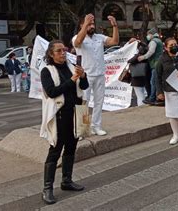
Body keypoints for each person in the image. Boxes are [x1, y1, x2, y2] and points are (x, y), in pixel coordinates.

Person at [40, 40, 89, 204]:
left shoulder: (71, 67)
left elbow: (84, 86)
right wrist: (73, 79)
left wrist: (82, 76)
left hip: (75, 114)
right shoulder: (47, 71)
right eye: (59, 51)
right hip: (59, 116)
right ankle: (47, 188)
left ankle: (66, 181)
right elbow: (52, 92)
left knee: (71, 148)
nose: (63, 53)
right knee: (55, 151)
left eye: (64, 50)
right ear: (51, 54)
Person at [72, 13, 119, 136]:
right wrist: (86, 23)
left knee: (99, 101)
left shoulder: (99, 37)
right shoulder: (77, 37)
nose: (92, 26)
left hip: (100, 74)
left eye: (93, 24)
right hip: (85, 75)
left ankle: (96, 126)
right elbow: (77, 43)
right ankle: (82, 129)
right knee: (84, 102)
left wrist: (114, 26)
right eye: (89, 24)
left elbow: (114, 41)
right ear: (82, 25)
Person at [139, 28, 164, 105]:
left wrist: (143, 57)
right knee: (156, 81)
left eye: (148, 34)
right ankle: (156, 97)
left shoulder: (153, 41)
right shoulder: (159, 41)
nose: (147, 36)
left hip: (155, 64)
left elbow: (151, 52)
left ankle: (152, 98)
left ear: (151, 34)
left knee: (153, 81)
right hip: (158, 63)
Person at [127, 41, 150, 106]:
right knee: (143, 94)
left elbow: (129, 61)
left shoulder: (138, 56)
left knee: (140, 95)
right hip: (144, 78)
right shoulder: (147, 56)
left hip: (136, 79)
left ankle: (140, 108)